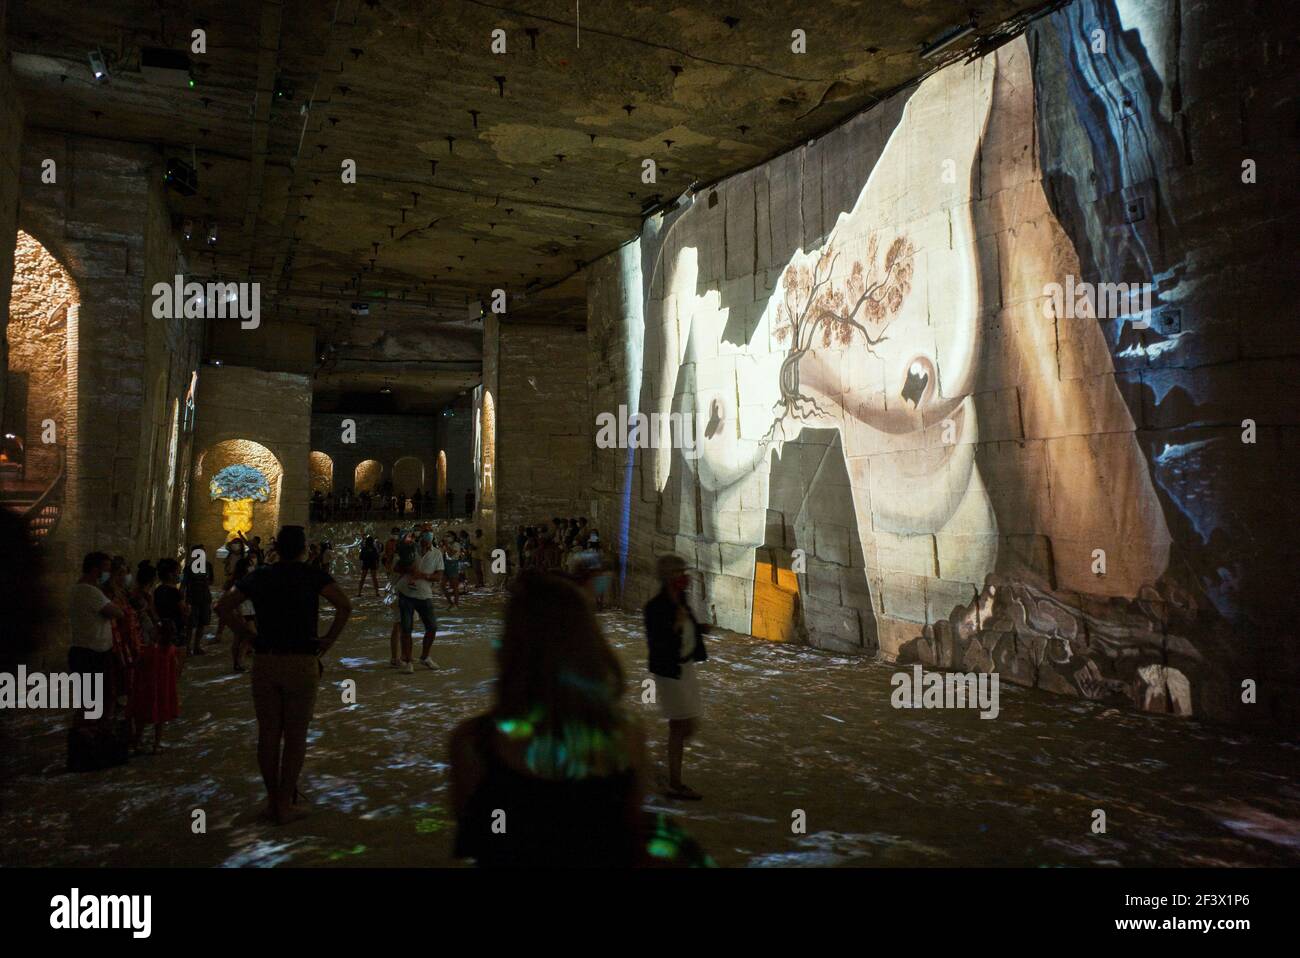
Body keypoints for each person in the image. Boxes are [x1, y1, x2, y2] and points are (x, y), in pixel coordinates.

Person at [449, 572, 649, 867]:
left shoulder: (472, 744)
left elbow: (482, 836)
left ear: (512, 645)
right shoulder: (627, 734)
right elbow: (630, 834)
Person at [216, 525, 351, 825]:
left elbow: (224, 606)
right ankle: (284, 803)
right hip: (302, 660)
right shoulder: (313, 575)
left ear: (277, 546)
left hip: (266, 659)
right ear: (304, 548)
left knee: (268, 733)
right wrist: (327, 641)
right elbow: (344, 605)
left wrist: (247, 635)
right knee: (295, 735)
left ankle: (271, 800)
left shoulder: (261, 575)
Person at [644, 554, 709, 801]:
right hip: (670, 672)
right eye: (680, 571)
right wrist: (676, 626)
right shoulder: (656, 607)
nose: (685, 576)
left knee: (687, 725)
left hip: (686, 669)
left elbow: (686, 625)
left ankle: (665, 772)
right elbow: (658, 643)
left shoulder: (680, 600)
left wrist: (698, 628)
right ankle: (672, 781)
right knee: (681, 726)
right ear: (669, 576)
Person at [68, 552, 124, 727]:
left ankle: (87, 737)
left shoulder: (77, 589)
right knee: (95, 700)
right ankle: (90, 738)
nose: (107, 574)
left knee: (88, 700)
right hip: (92, 654)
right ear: (95, 569)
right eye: (105, 570)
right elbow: (118, 613)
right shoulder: (91, 591)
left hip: (83, 650)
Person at [128, 560, 179, 754]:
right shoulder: (167, 649)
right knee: (158, 704)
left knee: (142, 706)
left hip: (142, 657)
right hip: (151, 653)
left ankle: (136, 742)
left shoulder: (137, 594)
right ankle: (154, 744)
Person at [394, 531, 443, 673]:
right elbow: (396, 568)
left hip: (424, 595)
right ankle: (408, 661)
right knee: (406, 628)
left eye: (428, 540)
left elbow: (439, 576)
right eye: (423, 540)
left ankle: (425, 657)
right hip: (406, 594)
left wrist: (423, 575)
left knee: (432, 627)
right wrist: (408, 570)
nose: (425, 543)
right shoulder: (410, 550)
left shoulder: (437, 554)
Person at [182, 546, 214, 655]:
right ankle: (187, 647)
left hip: (204, 598)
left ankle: (196, 646)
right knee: (191, 625)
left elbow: (210, 581)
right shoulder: (189, 567)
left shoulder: (208, 566)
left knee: (202, 623)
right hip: (192, 598)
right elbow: (184, 584)